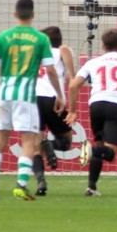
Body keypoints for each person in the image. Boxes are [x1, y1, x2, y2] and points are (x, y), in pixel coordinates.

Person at [0, 0, 63, 201]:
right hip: (25, 97)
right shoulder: (41, 39)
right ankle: (21, 185)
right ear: (33, 15)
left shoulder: (3, 37)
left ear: (15, 14)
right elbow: (50, 70)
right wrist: (59, 94)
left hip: (4, 95)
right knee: (29, 141)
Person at [66, 28, 117, 196]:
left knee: (101, 146)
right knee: (110, 153)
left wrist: (73, 110)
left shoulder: (92, 62)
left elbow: (73, 85)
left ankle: (91, 187)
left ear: (103, 46)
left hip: (96, 105)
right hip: (116, 105)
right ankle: (91, 151)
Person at [33, 26, 75, 196]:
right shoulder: (63, 50)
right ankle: (51, 144)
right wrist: (72, 107)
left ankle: (41, 182)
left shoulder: (36, 54)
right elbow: (72, 79)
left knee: (36, 147)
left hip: (33, 99)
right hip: (53, 99)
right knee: (66, 140)